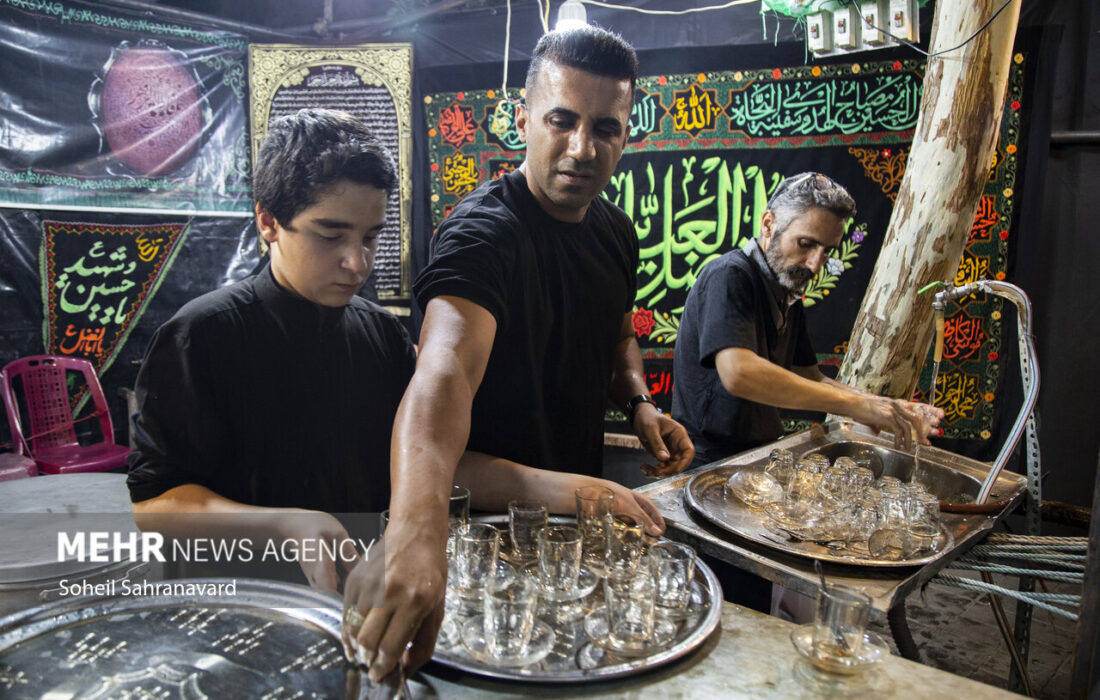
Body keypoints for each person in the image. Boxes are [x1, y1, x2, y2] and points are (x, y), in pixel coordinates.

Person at [344, 26, 695, 683]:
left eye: (605, 128)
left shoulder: (616, 231)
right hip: (478, 546)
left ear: (627, 134)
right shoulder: (483, 235)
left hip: (569, 536)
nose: (581, 148)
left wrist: (641, 404)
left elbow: (618, 332)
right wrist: (416, 533)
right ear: (523, 118)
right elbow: (442, 372)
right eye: (561, 121)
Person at [126, 108, 415, 593]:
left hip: (361, 597)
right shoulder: (202, 335)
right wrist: (284, 524)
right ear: (269, 221)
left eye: (371, 236)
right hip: (241, 603)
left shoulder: (384, 338)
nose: (357, 262)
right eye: (331, 235)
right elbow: (155, 505)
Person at [672, 171, 943, 468]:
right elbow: (739, 373)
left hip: (754, 458)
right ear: (768, 224)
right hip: (706, 463)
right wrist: (861, 406)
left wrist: (889, 408)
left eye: (826, 252)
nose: (815, 265)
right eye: (805, 244)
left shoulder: (785, 290)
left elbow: (810, 376)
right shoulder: (730, 275)